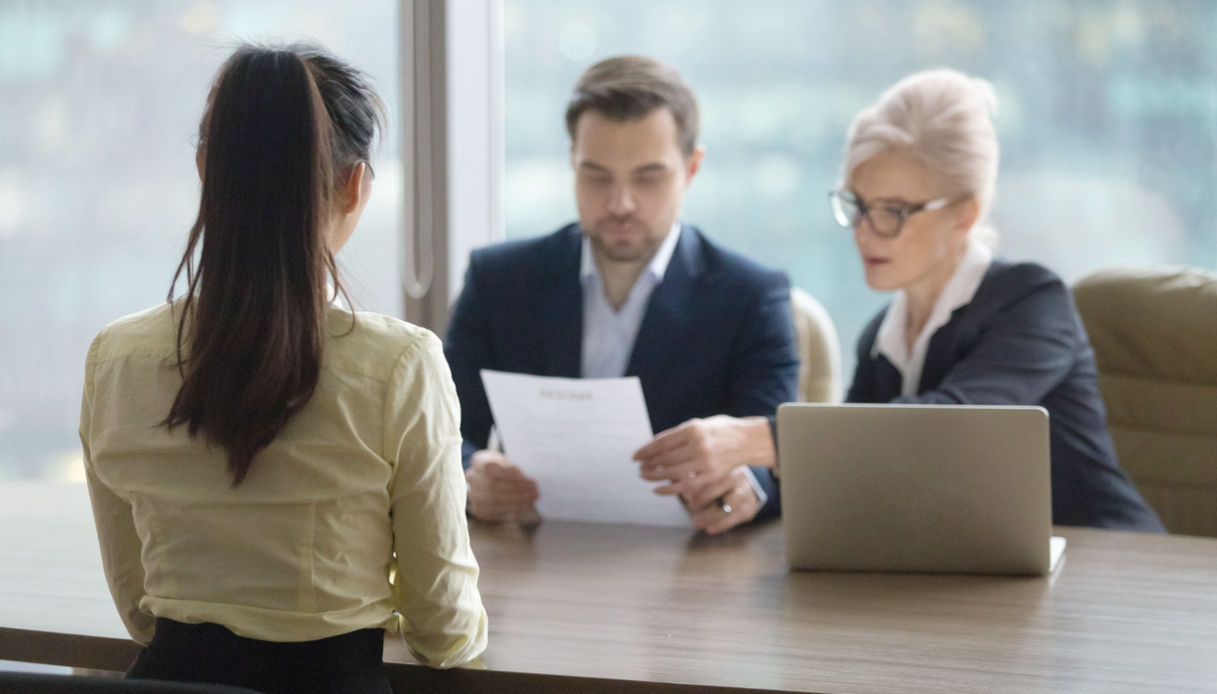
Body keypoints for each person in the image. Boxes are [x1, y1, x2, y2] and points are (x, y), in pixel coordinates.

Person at [79, 42, 487, 694]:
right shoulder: (400, 367)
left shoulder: (116, 359)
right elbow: (442, 632)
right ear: (355, 185)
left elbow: (140, 611)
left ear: (206, 169)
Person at [638, 69, 1163, 532]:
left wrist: (754, 438)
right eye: (857, 205)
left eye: (893, 211)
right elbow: (846, 464)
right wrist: (749, 490)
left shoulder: (1032, 301)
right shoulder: (881, 337)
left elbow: (948, 424)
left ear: (965, 214)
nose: (865, 231)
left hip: (1107, 562)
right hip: (976, 576)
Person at [444, 55, 799, 535]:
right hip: (529, 553)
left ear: (692, 168)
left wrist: (747, 488)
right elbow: (443, 433)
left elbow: (779, 452)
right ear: (572, 162)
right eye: (597, 176)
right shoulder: (498, 281)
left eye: (648, 177)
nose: (620, 204)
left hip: (690, 561)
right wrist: (470, 476)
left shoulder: (752, 295)